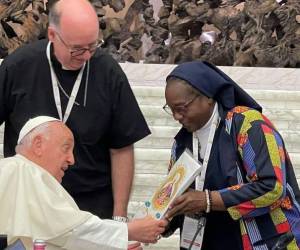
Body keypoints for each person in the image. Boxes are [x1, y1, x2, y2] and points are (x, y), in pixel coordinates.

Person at [0, 0, 150, 221]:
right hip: (27, 206)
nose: (86, 56)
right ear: (52, 35)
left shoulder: (108, 72)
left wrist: (119, 218)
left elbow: (122, 148)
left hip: (91, 207)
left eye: (92, 46)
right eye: (77, 49)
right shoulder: (17, 67)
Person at [162, 61, 300, 249]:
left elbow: (272, 187)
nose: (176, 117)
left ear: (208, 96)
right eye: (171, 109)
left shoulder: (248, 125)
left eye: (182, 108)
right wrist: (163, 220)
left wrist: (208, 200)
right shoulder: (181, 143)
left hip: (262, 241)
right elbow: (180, 198)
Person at [0, 116, 167, 250]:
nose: (71, 160)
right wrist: (129, 231)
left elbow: (56, 239)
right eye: (66, 148)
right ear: (38, 144)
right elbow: (70, 231)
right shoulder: (26, 171)